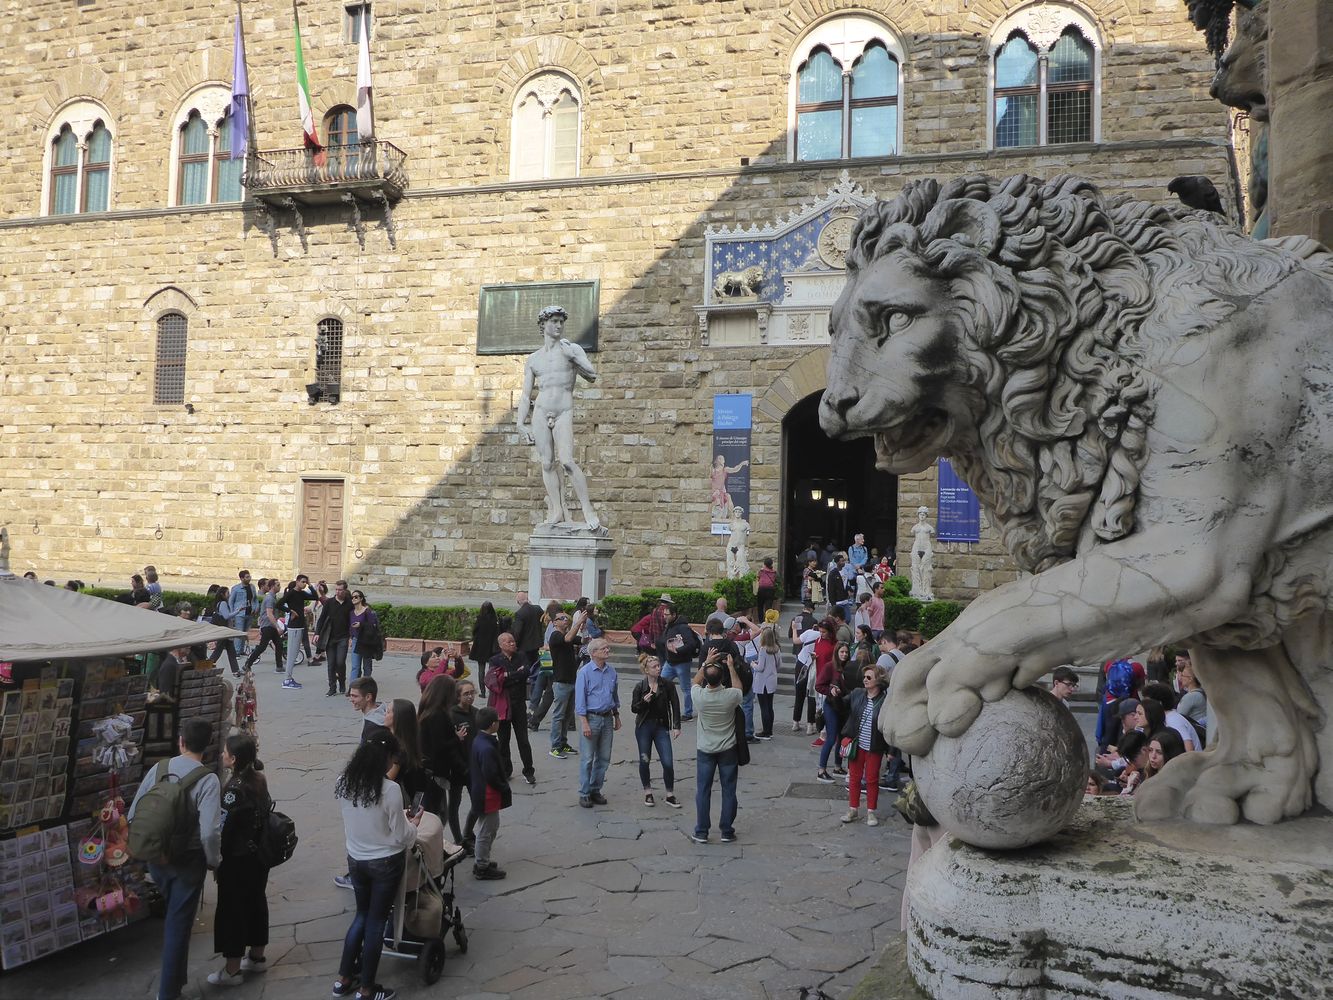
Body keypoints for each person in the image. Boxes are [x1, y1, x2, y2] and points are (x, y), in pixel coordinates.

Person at [127, 718, 222, 1000]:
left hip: (157, 858)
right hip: (187, 862)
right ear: (208, 745)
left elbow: (134, 813)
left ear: (181, 741)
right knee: (178, 927)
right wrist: (214, 860)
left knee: (175, 918)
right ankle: (168, 993)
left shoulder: (160, 768)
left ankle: (176, 983)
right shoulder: (208, 779)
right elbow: (209, 832)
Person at [333, 731, 419, 1000]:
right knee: (376, 920)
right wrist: (413, 826)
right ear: (386, 757)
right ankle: (367, 989)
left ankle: (343, 978)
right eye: (392, 759)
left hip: (356, 859)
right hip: (385, 861)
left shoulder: (344, 782)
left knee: (361, 915)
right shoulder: (389, 790)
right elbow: (401, 835)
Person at [516, 305, 601, 528]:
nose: (559, 325)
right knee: (546, 463)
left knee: (567, 461)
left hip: (563, 411)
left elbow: (592, 375)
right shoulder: (534, 359)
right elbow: (525, 395)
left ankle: (587, 509)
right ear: (543, 324)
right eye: (554, 321)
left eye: (561, 322)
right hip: (541, 412)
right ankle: (556, 510)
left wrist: (574, 357)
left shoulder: (571, 349)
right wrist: (520, 423)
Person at [208, 733, 271, 987]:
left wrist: (215, 858)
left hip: (237, 858)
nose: (222, 755)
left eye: (225, 752)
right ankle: (256, 956)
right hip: (259, 855)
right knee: (256, 901)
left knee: (232, 910)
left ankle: (232, 969)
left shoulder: (234, 789)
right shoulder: (259, 779)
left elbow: (224, 827)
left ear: (233, 759)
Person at [689, 648, 743, 844]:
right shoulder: (730, 696)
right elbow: (739, 688)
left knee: (703, 790)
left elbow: (694, 682)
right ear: (722, 678)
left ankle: (701, 831)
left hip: (705, 748)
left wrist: (705, 663)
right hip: (728, 748)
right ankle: (726, 830)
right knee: (729, 790)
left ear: (707, 679)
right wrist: (731, 667)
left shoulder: (699, 696)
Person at [418, 674, 469, 847]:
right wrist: (456, 738)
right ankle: (431, 849)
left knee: (436, 812)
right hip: (435, 771)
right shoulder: (438, 715)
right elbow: (439, 745)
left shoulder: (428, 710)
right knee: (436, 814)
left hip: (429, 770)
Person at [840, 665, 891, 825]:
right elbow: (841, 706)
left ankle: (871, 812)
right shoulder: (857, 694)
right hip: (857, 744)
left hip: (875, 747)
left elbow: (889, 726)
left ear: (878, 680)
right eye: (864, 677)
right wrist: (834, 696)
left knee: (872, 779)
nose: (865, 680)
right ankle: (853, 809)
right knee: (854, 778)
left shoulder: (885, 701)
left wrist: (891, 750)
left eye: (869, 677)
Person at [631, 653, 681, 807]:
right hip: (644, 726)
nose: (658, 669)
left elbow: (675, 705)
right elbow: (634, 708)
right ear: (646, 670)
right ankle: (648, 792)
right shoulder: (640, 686)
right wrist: (643, 702)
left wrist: (676, 726)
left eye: (659, 666)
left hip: (661, 726)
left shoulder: (667, 685)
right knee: (644, 760)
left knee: (667, 762)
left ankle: (670, 794)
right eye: (654, 667)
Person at [574, 637, 620, 808]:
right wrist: (584, 722)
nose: (607, 650)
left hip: (607, 717)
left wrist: (616, 715)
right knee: (587, 758)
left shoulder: (612, 672)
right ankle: (584, 793)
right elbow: (580, 700)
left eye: (608, 648)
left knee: (604, 757)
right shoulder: (584, 672)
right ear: (593, 653)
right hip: (591, 718)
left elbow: (614, 696)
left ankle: (595, 789)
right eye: (603, 648)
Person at [486, 633, 536, 785]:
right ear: (501, 645)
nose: (513, 643)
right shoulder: (495, 660)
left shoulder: (521, 656)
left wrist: (507, 675)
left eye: (513, 641)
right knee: (503, 740)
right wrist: (515, 674)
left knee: (523, 740)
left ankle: (528, 770)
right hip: (503, 705)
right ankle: (506, 770)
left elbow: (526, 673)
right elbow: (496, 681)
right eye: (509, 642)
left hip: (519, 703)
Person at [469, 707, 511, 880]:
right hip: (488, 795)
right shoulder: (487, 748)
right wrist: (503, 786)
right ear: (493, 724)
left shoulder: (479, 741)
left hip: (483, 792)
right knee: (487, 830)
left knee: (490, 827)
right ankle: (482, 865)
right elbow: (491, 774)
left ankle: (483, 859)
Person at [546, 610, 583, 759]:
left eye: (566, 618)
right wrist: (578, 622)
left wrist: (585, 625)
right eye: (561, 618)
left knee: (567, 716)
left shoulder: (567, 635)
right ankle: (555, 746)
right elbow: (567, 639)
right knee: (559, 715)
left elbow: (581, 640)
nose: (565, 620)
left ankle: (563, 742)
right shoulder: (555, 635)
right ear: (554, 622)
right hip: (561, 681)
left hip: (571, 680)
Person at [657, 602, 702, 721]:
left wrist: (678, 650)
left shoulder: (683, 627)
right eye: (664, 614)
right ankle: (660, 709)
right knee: (660, 684)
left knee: (685, 688)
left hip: (682, 663)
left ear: (674, 615)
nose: (664, 617)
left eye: (667, 615)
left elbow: (691, 644)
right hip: (669, 662)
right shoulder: (669, 626)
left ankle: (688, 713)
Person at [451, 680, 480, 852]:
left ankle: (468, 832)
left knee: (478, 802)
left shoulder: (476, 713)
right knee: (454, 804)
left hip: (473, 766)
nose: (470, 697)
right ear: (458, 696)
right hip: (456, 767)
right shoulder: (451, 715)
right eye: (466, 694)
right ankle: (458, 840)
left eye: (472, 693)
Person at [813, 620, 841, 780]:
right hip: (823, 681)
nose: (821, 634)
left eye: (824, 632)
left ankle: (837, 766)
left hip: (831, 686)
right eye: (820, 631)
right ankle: (822, 769)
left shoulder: (834, 645)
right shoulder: (818, 641)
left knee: (837, 734)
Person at [243, 579, 288, 679]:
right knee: (262, 647)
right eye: (278, 585)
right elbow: (269, 614)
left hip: (271, 626)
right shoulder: (269, 599)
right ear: (272, 586)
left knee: (279, 644)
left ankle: (279, 666)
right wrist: (277, 627)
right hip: (268, 626)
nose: (279, 587)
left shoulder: (272, 597)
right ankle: (247, 664)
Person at [317, 580, 354, 697]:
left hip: (343, 637)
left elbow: (352, 621)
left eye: (340, 590)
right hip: (330, 638)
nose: (338, 592)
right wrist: (317, 633)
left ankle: (342, 681)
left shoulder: (350, 604)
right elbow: (322, 618)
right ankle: (332, 688)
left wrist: (351, 636)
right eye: (336, 589)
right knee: (331, 663)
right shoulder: (330, 602)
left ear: (345, 590)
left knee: (340, 662)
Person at [276, 580, 311, 690]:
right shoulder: (291, 596)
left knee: (294, 653)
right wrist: (291, 612)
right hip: (293, 627)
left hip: (296, 627)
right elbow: (278, 605)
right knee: (292, 653)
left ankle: (288, 678)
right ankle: (287, 679)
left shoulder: (295, 597)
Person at [751, 623, 780, 740]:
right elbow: (779, 664)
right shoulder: (777, 649)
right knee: (769, 706)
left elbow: (760, 667)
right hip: (772, 680)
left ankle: (765, 732)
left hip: (763, 681)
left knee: (764, 707)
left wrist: (753, 664)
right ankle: (770, 730)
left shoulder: (763, 650)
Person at [348, 589, 384, 681]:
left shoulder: (367, 611)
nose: (353, 599)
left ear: (361, 598)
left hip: (366, 641)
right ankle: (353, 686)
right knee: (355, 666)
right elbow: (350, 627)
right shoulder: (351, 612)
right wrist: (351, 637)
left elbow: (373, 625)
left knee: (367, 667)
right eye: (352, 597)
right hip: (356, 640)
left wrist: (361, 624)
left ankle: (366, 685)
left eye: (356, 597)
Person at [205, 584, 241, 676]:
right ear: (222, 594)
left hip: (225, 631)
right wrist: (237, 611)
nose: (229, 594)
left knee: (231, 652)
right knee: (218, 651)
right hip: (224, 631)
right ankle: (206, 667)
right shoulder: (223, 603)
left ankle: (236, 670)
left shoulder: (220, 603)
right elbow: (226, 616)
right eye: (227, 593)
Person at [469, 602, 500, 679]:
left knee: (481, 669)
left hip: (480, 647)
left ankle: (482, 686)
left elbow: (474, 631)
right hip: (491, 647)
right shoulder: (495, 619)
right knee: (491, 668)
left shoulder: (480, 619)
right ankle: (490, 685)